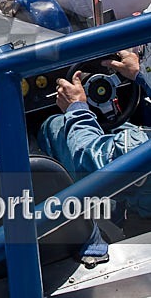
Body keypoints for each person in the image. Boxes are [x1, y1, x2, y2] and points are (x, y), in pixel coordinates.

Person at [39, 43, 151, 236]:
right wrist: (140, 75)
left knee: (54, 126)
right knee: (119, 128)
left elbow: (88, 161)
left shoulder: (136, 146)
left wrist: (76, 109)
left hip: (145, 222)